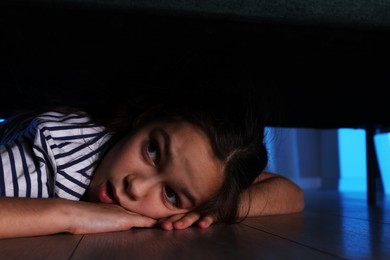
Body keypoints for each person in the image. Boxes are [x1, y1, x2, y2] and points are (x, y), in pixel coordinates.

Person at [0, 52, 304, 239]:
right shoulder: (56, 160)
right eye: (153, 151)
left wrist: (217, 209)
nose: (136, 187)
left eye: (171, 194)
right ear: (145, 119)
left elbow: (292, 194)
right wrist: (69, 215)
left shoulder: (201, 178)